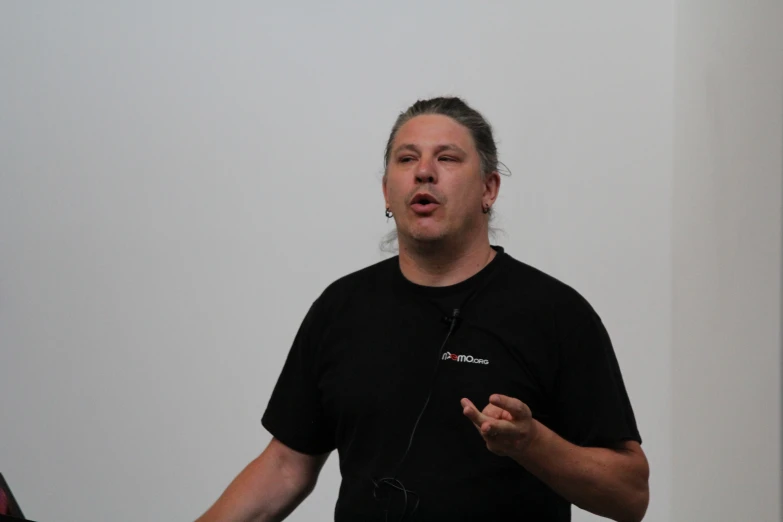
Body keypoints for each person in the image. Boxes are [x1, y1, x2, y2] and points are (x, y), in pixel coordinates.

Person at [195, 97, 649, 522]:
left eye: (447, 158)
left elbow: (629, 495)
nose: (424, 172)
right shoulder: (341, 308)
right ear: (387, 191)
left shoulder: (555, 313)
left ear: (489, 188)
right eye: (406, 159)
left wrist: (533, 444)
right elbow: (284, 465)